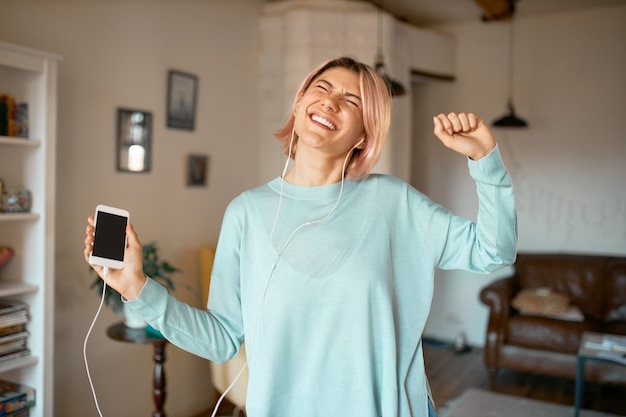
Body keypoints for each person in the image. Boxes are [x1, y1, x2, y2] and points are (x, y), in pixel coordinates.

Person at [84, 56, 517, 417]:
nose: (331, 101)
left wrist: (485, 160)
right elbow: (220, 339)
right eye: (322, 88)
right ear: (300, 103)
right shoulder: (247, 213)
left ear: (365, 134)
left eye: (350, 100)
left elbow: (493, 251)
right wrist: (136, 287)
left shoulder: (393, 204)